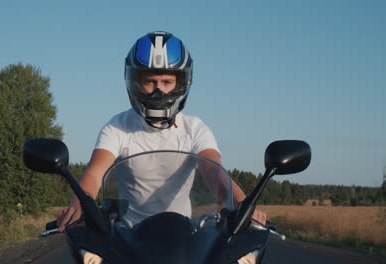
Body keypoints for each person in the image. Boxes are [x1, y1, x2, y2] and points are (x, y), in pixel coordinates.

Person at [57, 31, 266, 231]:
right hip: (127, 237)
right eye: (150, 82)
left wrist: (242, 204)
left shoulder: (194, 128)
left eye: (167, 82)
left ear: (182, 83)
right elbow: (95, 173)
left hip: (184, 235)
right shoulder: (117, 126)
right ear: (135, 82)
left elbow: (214, 172)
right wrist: (80, 203)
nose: (159, 91)